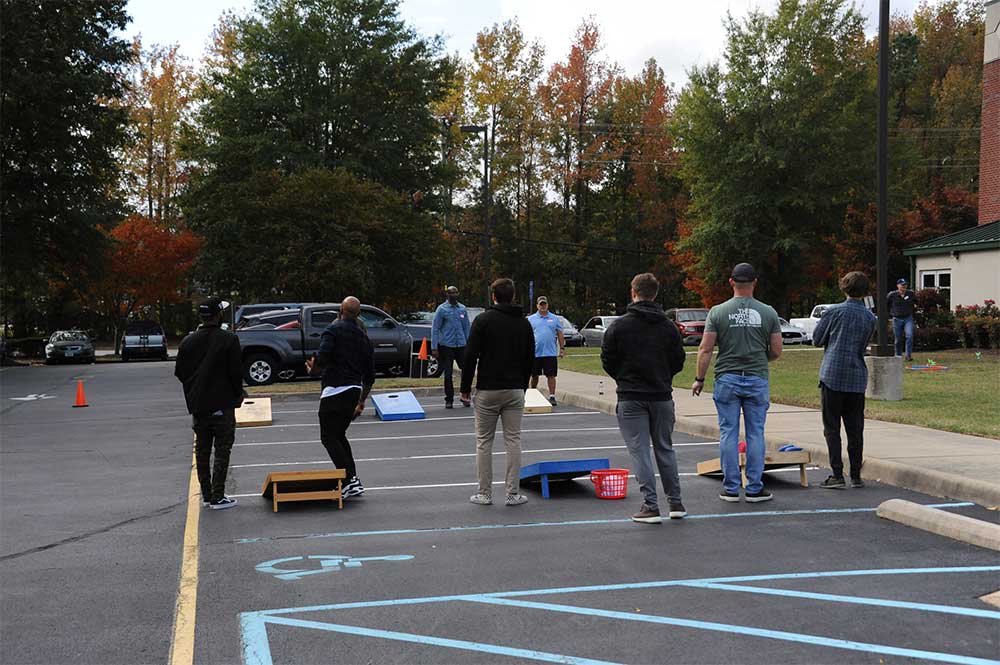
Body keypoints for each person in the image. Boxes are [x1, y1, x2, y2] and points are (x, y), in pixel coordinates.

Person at [692, 263, 782, 503]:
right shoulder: (769, 312)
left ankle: (730, 487)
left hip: (727, 378)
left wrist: (699, 378)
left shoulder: (718, 312)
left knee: (728, 432)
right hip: (756, 377)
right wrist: (761, 358)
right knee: (755, 434)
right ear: (755, 282)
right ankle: (754, 487)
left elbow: (706, 348)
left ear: (731, 282)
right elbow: (776, 350)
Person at [601, 273, 688, 523]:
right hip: (661, 394)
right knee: (665, 448)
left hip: (631, 395)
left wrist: (623, 378)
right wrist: (662, 375)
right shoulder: (669, 327)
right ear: (655, 294)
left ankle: (650, 505)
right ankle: (676, 502)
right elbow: (678, 360)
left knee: (639, 450)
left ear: (633, 292)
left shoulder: (619, 326)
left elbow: (608, 359)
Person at [460, 278, 535, 507]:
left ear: (493, 296)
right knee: (513, 440)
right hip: (514, 388)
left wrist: (464, 389)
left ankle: (485, 493)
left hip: (488, 388)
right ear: (513, 296)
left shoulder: (483, 320)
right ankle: (512, 493)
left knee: (484, 442)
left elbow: (470, 356)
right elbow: (529, 358)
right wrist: (522, 385)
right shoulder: (523, 323)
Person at [174, 297, 245, 510]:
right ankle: (218, 495)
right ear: (218, 315)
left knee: (202, 451)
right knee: (222, 451)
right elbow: (236, 373)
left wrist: (194, 388)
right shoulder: (229, 339)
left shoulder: (188, 342)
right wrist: (237, 395)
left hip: (199, 405)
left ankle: (206, 495)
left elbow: (180, 372)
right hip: (222, 404)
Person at [305, 296, 375, 499]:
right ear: (359, 314)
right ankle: (352, 479)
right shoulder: (365, 339)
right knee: (339, 435)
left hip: (334, 390)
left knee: (328, 437)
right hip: (353, 391)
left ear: (340, 311)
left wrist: (312, 368)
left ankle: (348, 480)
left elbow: (323, 356)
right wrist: (361, 402)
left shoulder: (332, 330)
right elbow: (370, 377)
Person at [813, 272, 877, 490]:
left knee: (832, 427)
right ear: (865, 291)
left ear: (844, 288)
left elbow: (817, 339)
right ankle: (856, 475)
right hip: (857, 376)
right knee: (855, 427)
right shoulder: (870, 318)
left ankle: (837, 473)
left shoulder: (834, 312)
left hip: (832, 375)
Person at [431, 285, 472, 408]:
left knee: (466, 371)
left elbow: (466, 327)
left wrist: (469, 344)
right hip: (447, 345)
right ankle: (449, 399)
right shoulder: (442, 309)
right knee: (448, 373)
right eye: (451, 293)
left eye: (455, 293)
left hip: (461, 344)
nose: (454, 295)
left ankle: (465, 395)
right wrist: (434, 347)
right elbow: (435, 328)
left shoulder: (462, 309)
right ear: (447, 295)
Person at [527, 295, 565, 406]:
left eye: (544, 304)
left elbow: (560, 334)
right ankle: (532, 393)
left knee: (551, 375)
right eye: (541, 304)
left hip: (550, 352)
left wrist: (562, 348)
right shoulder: (531, 319)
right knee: (534, 375)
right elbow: (527, 335)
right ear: (537, 306)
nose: (543, 306)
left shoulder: (554, 318)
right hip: (535, 352)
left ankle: (552, 396)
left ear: (547, 305)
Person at [888, 278, 916, 361]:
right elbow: (886, 304)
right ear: (898, 286)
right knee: (898, 339)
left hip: (908, 318)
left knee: (909, 335)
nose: (904, 286)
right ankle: (898, 355)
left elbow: (916, 302)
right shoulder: (892, 295)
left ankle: (908, 355)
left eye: (905, 285)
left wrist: (914, 308)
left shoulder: (910, 294)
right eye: (902, 285)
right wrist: (890, 314)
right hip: (896, 318)